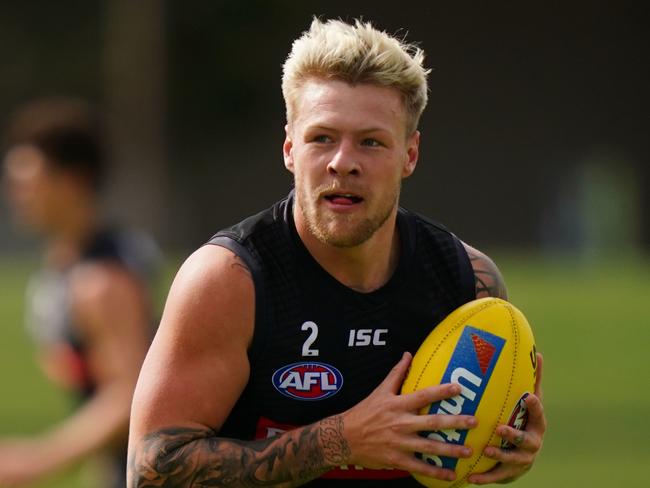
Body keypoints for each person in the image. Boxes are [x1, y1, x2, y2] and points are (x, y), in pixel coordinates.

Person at [128, 18, 546, 487]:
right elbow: (151, 471)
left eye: (371, 142)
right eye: (322, 137)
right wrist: (340, 441)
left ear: (410, 155)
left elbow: (466, 453)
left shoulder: (466, 281)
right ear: (290, 148)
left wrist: (504, 451)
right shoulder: (230, 281)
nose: (342, 162)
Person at [1, 97, 159, 488]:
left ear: (72, 182)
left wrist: (39, 459)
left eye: (27, 181)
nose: (16, 195)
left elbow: (131, 394)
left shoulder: (101, 280)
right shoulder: (68, 264)